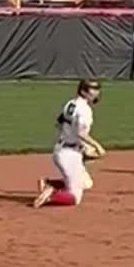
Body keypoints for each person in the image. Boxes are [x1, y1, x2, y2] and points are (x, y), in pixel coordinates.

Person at [33, 80, 104, 209]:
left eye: (97, 89)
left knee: (87, 183)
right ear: (83, 92)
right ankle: (51, 194)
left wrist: (76, 142)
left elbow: (59, 123)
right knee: (75, 198)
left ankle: (48, 183)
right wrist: (97, 146)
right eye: (93, 89)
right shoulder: (85, 110)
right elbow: (81, 134)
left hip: (63, 149)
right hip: (69, 155)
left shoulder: (71, 104)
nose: (97, 92)